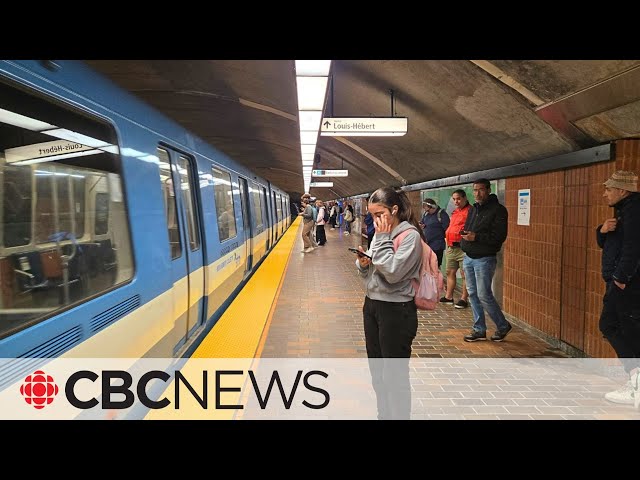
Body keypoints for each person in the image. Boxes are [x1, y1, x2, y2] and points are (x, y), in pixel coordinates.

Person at [355, 187, 424, 420]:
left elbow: (393, 273)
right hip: (373, 306)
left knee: (394, 375)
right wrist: (364, 265)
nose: (375, 220)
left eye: (379, 214)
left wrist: (382, 240)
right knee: (377, 371)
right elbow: (373, 274)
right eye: (372, 215)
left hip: (396, 311)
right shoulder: (379, 235)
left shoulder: (411, 237)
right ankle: (383, 415)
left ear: (394, 209)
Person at [596, 170, 640, 408]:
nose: (605, 194)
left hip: (626, 283)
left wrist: (620, 278)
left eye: (609, 189)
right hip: (621, 281)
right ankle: (635, 381)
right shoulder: (625, 211)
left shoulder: (634, 212)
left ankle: (637, 381)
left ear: (623, 190)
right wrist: (602, 231)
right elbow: (613, 242)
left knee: (612, 325)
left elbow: (634, 247)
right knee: (624, 327)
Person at [460, 178, 512, 342]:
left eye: (481, 190)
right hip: (468, 257)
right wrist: (464, 241)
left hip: (484, 259)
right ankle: (479, 329)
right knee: (473, 294)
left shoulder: (498, 210)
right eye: (475, 190)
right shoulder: (473, 209)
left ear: (488, 190)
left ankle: (502, 325)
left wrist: (476, 237)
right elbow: (467, 228)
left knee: (484, 295)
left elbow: (499, 237)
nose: (477, 193)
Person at [442, 189, 470, 308]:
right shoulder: (455, 212)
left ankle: (464, 298)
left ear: (464, 198)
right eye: (454, 199)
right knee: (450, 272)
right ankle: (449, 296)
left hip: (463, 248)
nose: (456, 201)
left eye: (458, 198)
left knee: (465, 274)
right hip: (451, 247)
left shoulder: (470, 211)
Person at [419, 198, 449, 267]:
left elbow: (447, 229)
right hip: (427, 245)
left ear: (431, 207)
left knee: (435, 266)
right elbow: (422, 222)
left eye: (427, 209)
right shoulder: (426, 214)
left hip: (437, 246)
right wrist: (421, 225)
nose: (426, 211)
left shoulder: (441, 214)